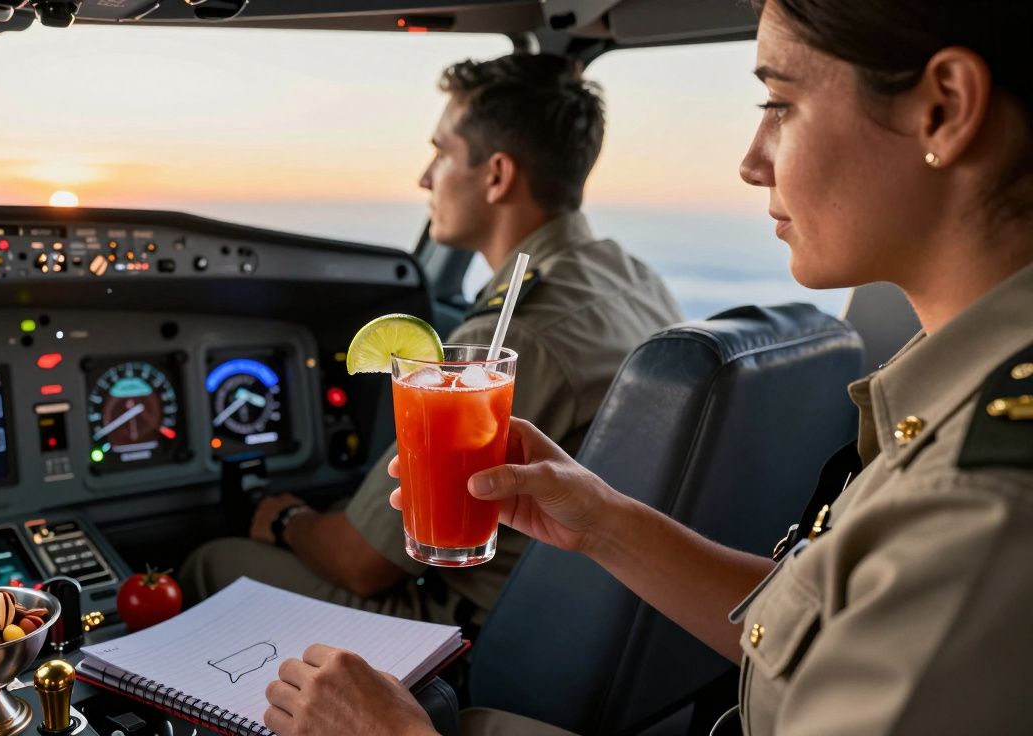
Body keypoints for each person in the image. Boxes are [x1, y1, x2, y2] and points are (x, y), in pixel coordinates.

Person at [261, 0, 1033, 734]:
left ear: (943, 108)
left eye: (779, 104)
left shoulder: (977, 509)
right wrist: (600, 519)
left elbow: (361, 564)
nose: (751, 162)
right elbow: (823, 631)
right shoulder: (958, 399)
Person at [179, 53, 683, 629]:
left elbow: (359, 563)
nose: (425, 177)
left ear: (496, 175)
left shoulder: (513, 342)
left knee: (211, 562)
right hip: (592, 612)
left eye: (441, 152)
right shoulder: (635, 278)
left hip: (476, 625)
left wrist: (284, 517)